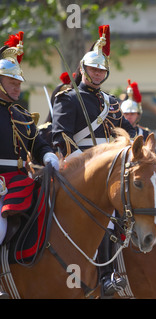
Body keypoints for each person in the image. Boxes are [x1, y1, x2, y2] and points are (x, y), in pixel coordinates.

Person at [52, 25, 135, 297]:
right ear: (84, 70)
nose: (98, 74)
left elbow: (128, 132)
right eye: (94, 70)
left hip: (111, 169)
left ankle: (126, 268)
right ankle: (105, 275)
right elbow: (60, 135)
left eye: (102, 71)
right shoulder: (69, 98)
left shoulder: (111, 103)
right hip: (81, 168)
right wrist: (84, 162)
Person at [0, 31, 59, 299]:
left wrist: (47, 155)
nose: (17, 86)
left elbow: (38, 144)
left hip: (22, 179)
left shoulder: (22, 114)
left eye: (18, 81)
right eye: (11, 81)